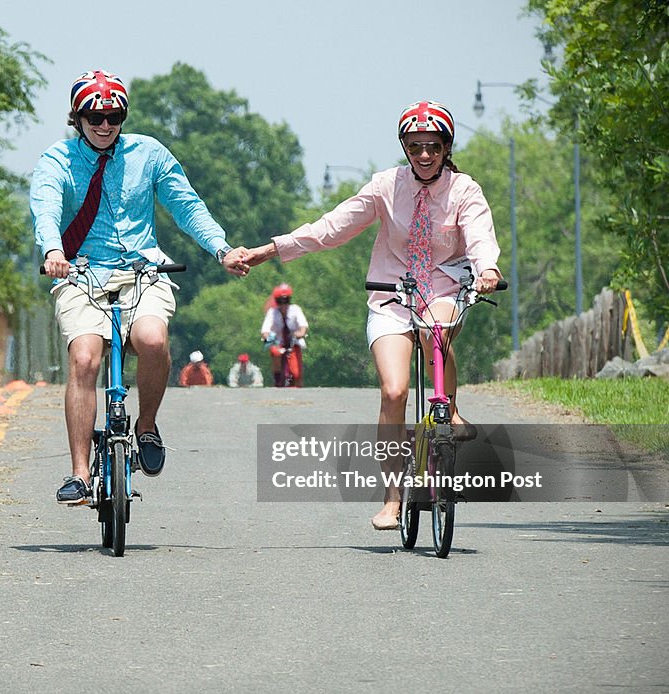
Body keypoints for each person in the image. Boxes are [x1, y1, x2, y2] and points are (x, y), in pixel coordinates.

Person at [241, 100, 502, 530]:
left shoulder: (464, 190)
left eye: (433, 147)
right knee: (394, 392)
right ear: (404, 147)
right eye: (415, 146)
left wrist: (488, 269)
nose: (423, 155)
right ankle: (392, 496)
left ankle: (449, 408)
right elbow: (330, 228)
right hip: (392, 294)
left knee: (435, 330)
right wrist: (269, 251)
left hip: (444, 288)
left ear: (446, 147)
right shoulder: (386, 186)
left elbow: (479, 235)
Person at [31, 69, 250, 505]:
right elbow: (46, 206)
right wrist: (53, 251)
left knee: (152, 340)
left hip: (144, 270)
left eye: (113, 116)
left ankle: (146, 426)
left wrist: (221, 249)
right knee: (84, 358)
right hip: (79, 271)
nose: (104, 124)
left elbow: (186, 205)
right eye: (94, 116)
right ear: (77, 117)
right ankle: (78, 473)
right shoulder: (56, 159)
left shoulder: (148, 154)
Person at [261, 283, 308, 387]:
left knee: (296, 374)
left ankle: (296, 387)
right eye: (280, 301)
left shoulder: (295, 309)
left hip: (293, 341)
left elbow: (303, 326)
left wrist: (299, 333)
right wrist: (268, 338)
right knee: (275, 352)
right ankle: (277, 378)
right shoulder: (272, 312)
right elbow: (265, 329)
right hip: (278, 341)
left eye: (286, 301)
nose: (283, 304)